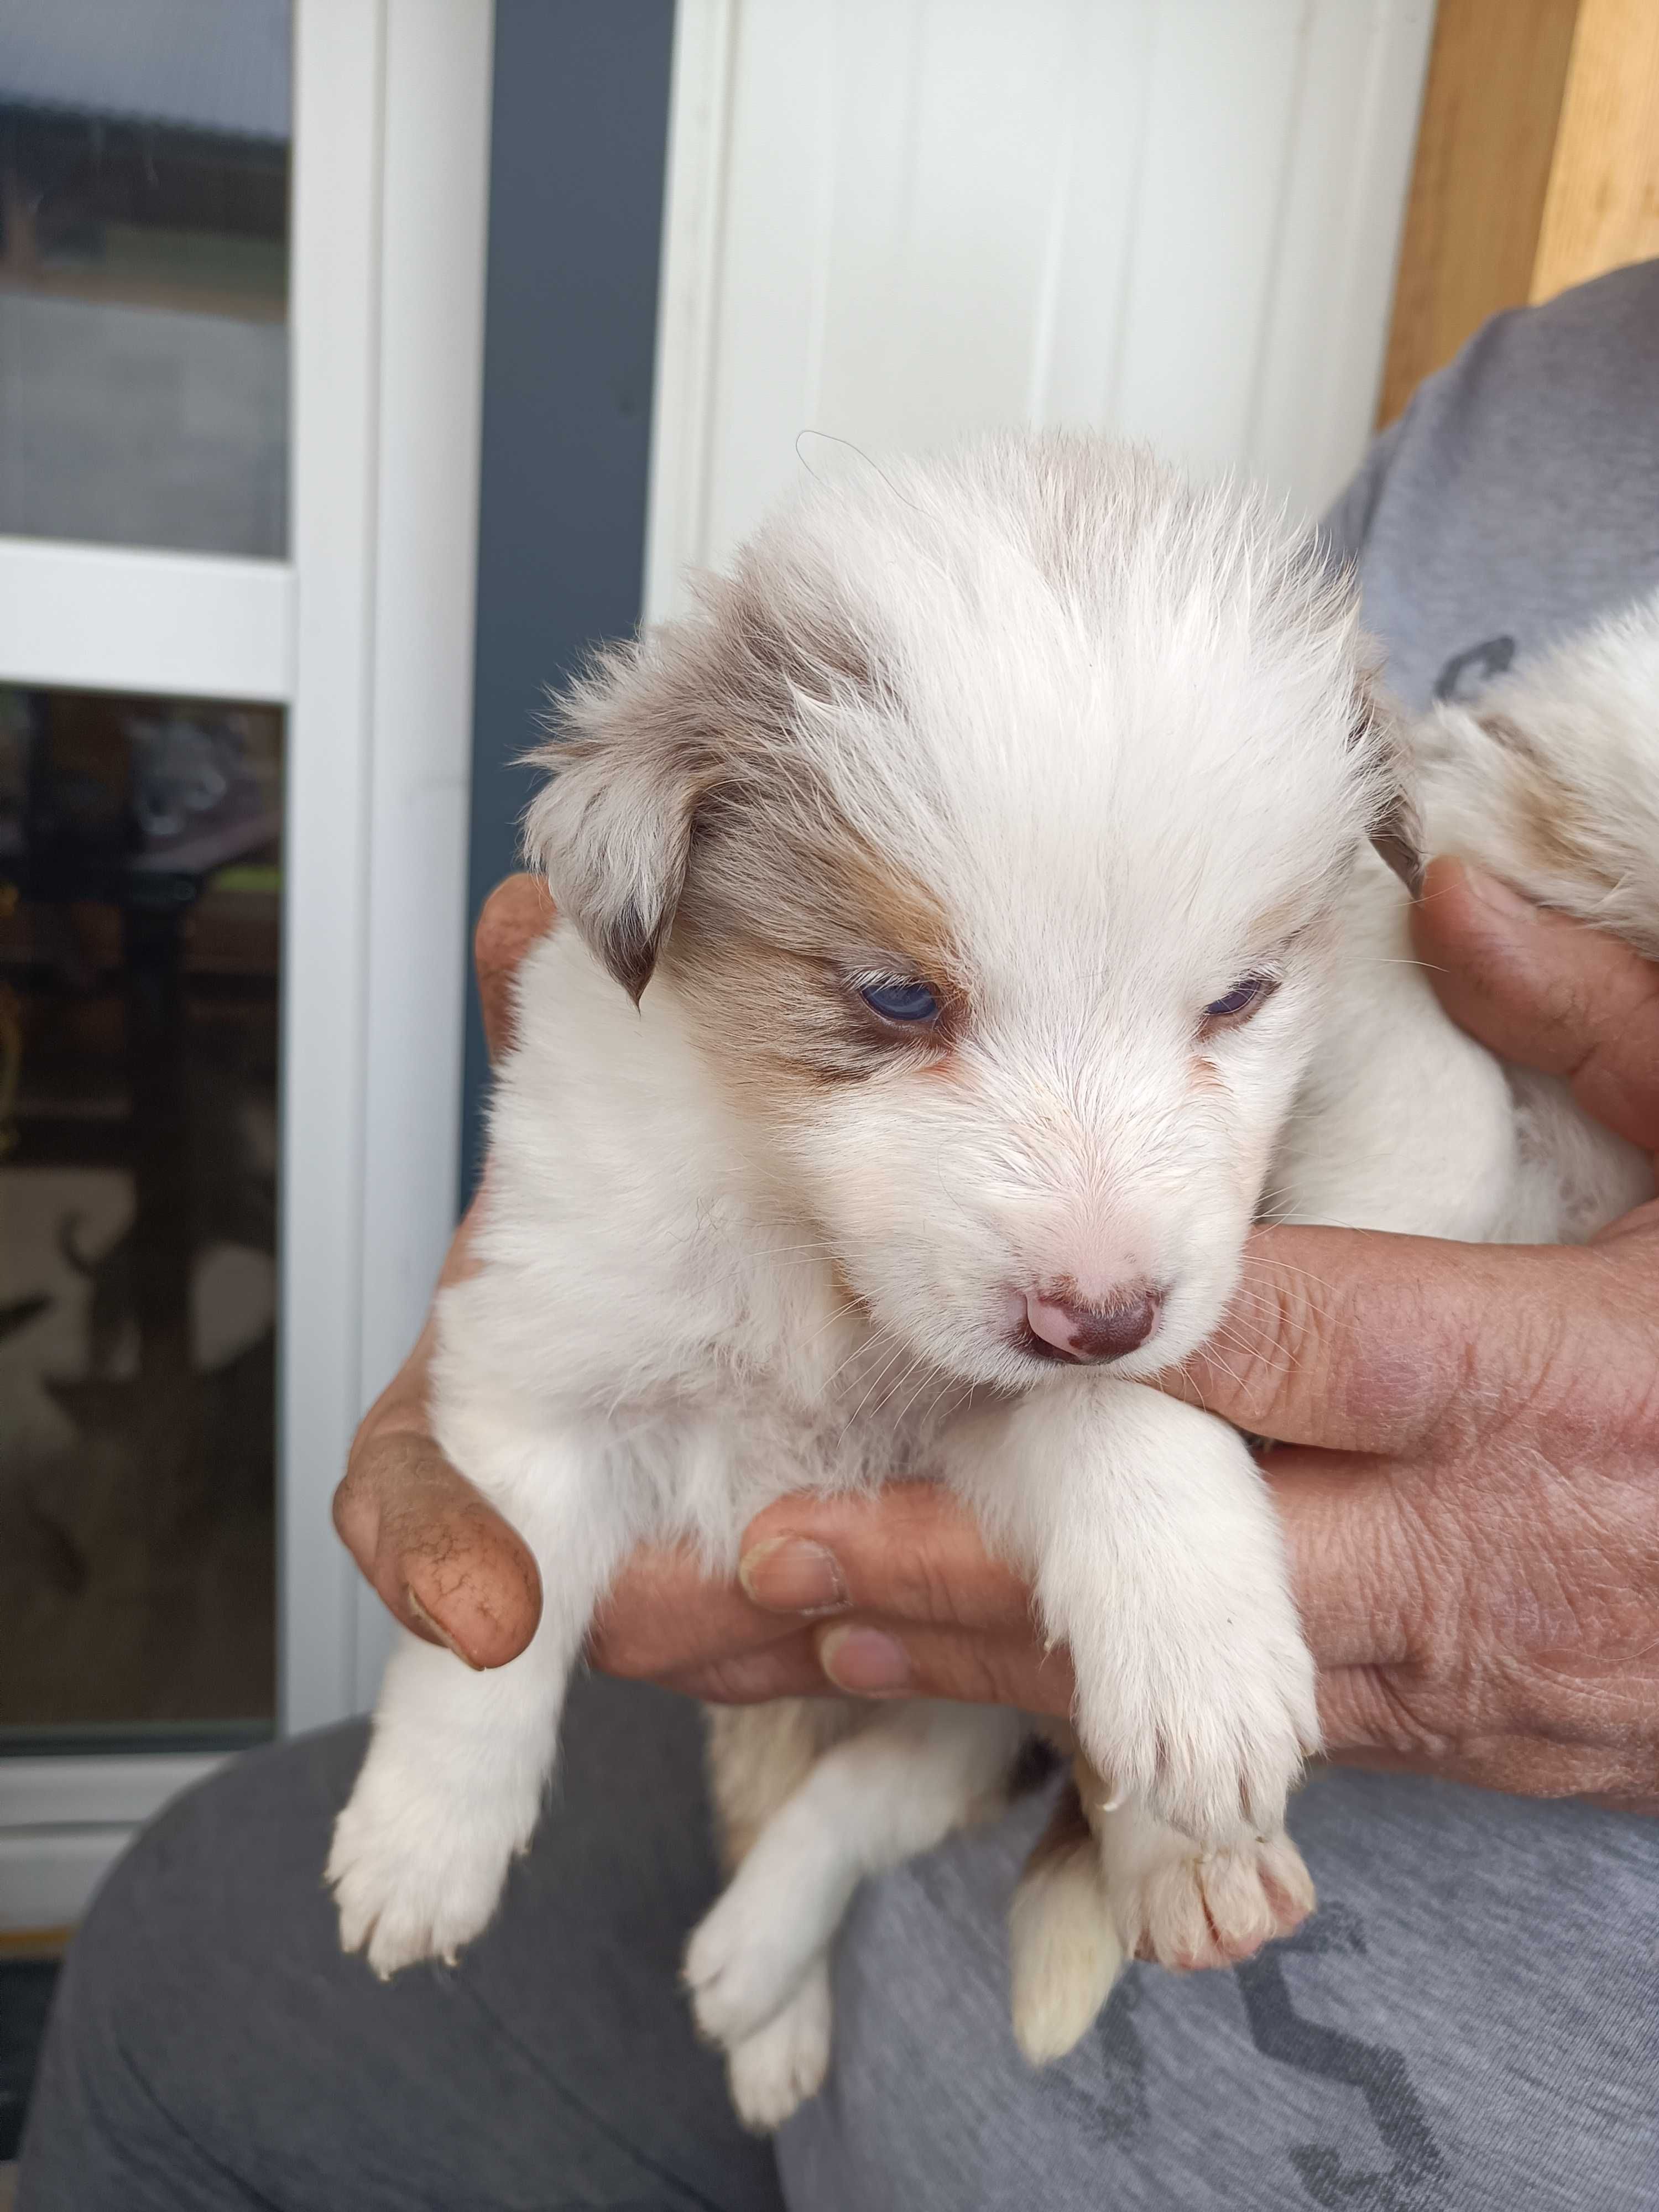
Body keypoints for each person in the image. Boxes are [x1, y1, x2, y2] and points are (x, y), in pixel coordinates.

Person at [19, 259, 1659, 2212]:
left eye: (1231, 1008)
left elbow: (1120, 1397)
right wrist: (465, 1740)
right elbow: (544, 1409)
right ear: (665, 880)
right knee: (179, 1974)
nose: (1103, 1252)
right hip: (873, 1841)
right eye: (902, 1006)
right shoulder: (1509, 388)